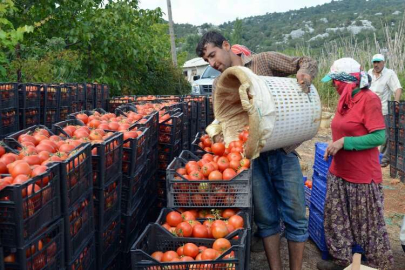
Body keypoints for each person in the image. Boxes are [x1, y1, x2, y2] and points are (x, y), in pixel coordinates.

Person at [196, 31, 318, 270]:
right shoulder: (220, 83)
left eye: (213, 55)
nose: (212, 63)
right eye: (207, 61)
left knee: (296, 217)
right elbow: (224, 119)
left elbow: (305, 60)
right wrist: (216, 135)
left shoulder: (263, 61)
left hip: (283, 152)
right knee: (266, 220)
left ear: (226, 45)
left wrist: (306, 72)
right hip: (252, 158)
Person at [318, 58, 394, 270]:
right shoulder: (345, 99)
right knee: (338, 222)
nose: (332, 85)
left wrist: (345, 142)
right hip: (339, 172)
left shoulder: (369, 99)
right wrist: (335, 143)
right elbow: (345, 128)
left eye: (335, 80)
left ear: (346, 80)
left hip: (361, 177)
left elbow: (379, 137)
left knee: (366, 228)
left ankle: (369, 266)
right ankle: (344, 263)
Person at [368, 54, 403, 167]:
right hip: (369, 109)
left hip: (383, 110)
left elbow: (397, 88)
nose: (376, 64)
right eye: (374, 62)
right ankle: (372, 156)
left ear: (384, 62)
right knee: (369, 133)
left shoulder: (389, 74)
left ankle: (384, 158)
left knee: (385, 135)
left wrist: (396, 104)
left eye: (378, 62)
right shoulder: (369, 73)